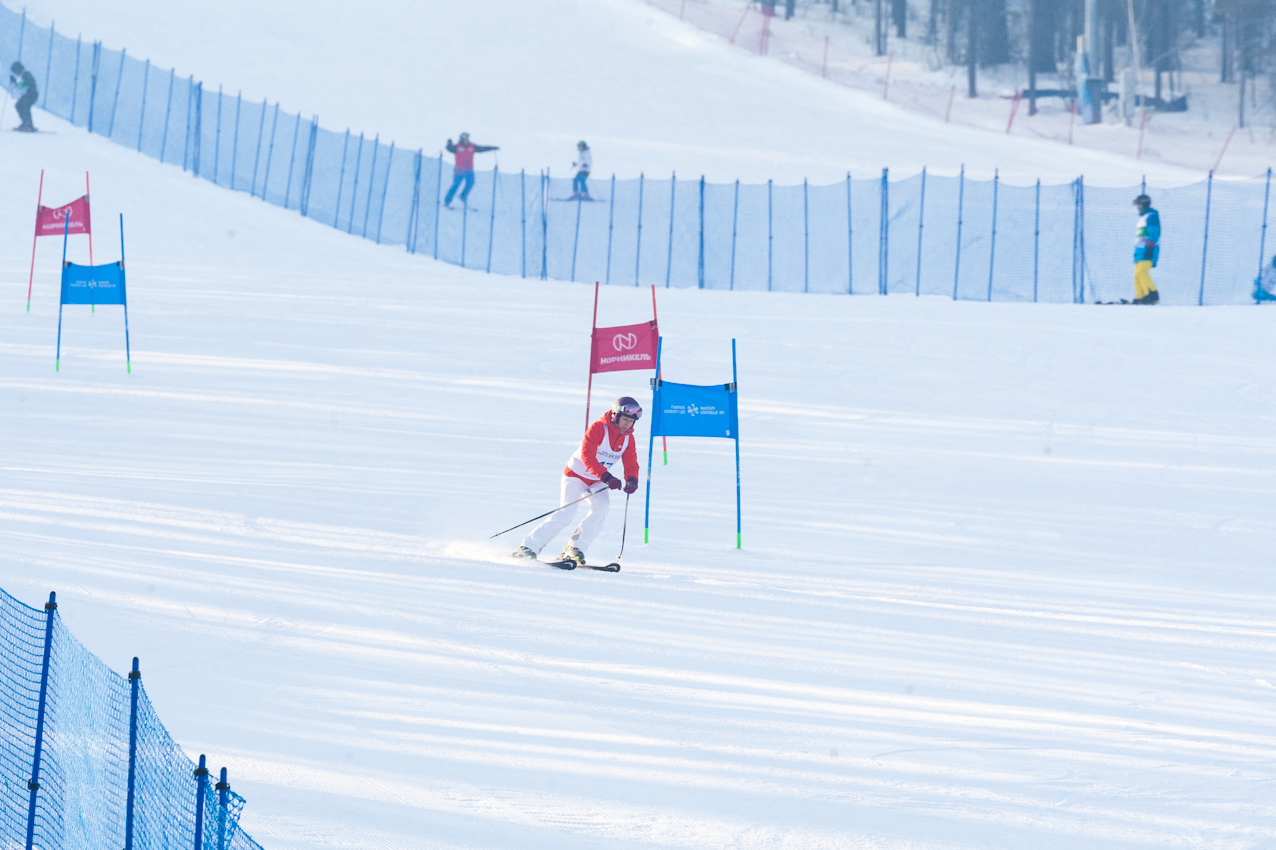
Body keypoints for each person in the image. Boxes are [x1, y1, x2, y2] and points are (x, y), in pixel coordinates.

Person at [514, 397, 642, 567]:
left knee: (602, 508)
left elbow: (631, 462)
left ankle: (575, 548)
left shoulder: (628, 438)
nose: (627, 424)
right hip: (575, 475)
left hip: (596, 480)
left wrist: (632, 480)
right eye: (625, 419)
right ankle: (528, 547)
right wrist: (607, 477)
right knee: (567, 512)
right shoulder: (598, 428)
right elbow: (587, 456)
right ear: (615, 416)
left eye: (631, 421)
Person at [443, 132, 498, 208]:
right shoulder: (457, 147)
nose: (467, 140)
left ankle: (463, 196)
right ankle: (447, 201)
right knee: (455, 185)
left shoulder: (472, 146)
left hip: (469, 170)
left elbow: (482, 149)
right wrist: (449, 143)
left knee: (470, 183)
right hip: (459, 170)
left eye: (468, 139)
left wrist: (492, 148)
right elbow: (449, 149)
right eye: (465, 139)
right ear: (462, 139)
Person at [1132, 194, 1160, 305]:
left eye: (1138, 205)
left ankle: (1152, 295)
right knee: (1137, 275)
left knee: (1142, 272)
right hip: (1139, 251)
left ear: (1143, 204)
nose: (1137, 207)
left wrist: (1150, 248)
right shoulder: (1142, 218)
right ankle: (1141, 296)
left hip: (1147, 250)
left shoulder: (1152, 217)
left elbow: (1154, 233)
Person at [8, 62, 38, 132]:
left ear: (18, 69)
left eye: (15, 71)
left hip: (31, 94)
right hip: (28, 94)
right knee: (19, 105)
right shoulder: (22, 75)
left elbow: (27, 84)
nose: (15, 73)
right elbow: (22, 85)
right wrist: (15, 82)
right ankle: (25, 123)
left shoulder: (25, 74)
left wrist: (16, 83)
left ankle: (28, 125)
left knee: (24, 107)